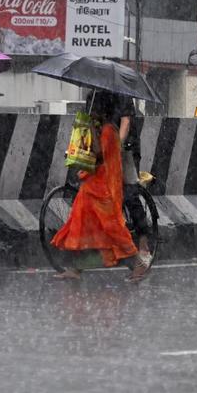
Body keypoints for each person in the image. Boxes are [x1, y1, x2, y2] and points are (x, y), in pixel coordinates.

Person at [50, 91, 150, 283]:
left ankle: (138, 262)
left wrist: (91, 133)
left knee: (113, 229)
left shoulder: (108, 131)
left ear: (102, 110)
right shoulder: (101, 128)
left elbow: (98, 154)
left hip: (103, 189)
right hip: (93, 187)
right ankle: (75, 267)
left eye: (93, 109)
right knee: (83, 226)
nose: (91, 111)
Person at [113, 94, 151, 265]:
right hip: (105, 150)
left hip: (127, 149)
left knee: (129, 194)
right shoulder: (93, 98)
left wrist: (116, 146)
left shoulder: (121, 95)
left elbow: (125, 123)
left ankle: (144, 243)